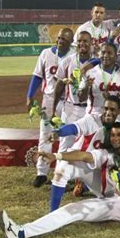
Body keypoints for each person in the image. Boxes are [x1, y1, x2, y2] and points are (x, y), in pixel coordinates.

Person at [48, 96, 120, 211]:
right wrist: (59, 132)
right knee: (61, 170)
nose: (108, 112)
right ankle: (52, 213)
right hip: (76, 161)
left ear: (119, 111)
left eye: (112, 110)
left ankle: (85, 186)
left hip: (94, 169)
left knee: (112, 198)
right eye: (106, 108)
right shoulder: (92, 120)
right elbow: (73, 128)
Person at [26, 28, 74, 187]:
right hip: (48, 100)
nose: (60, 41)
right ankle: (41, 172)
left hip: (67, 101)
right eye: (59, 38)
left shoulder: (74, 56)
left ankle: (63, 173)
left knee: (66, 138)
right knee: (45, 135)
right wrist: (29, 95)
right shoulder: (46, 53)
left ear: (70, 42)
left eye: (65, 40)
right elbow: (37, 76)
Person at [53, 31, 92, 153]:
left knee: (89, 145)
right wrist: (53, 108)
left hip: (90, 110)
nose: (82, 44)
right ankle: (60, 172)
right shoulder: (67, 61)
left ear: (91, 43)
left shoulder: (97, 62)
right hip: (71, 108)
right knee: (65, 145)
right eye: (79, 41)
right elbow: (59, 86)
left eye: (85, 41)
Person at [77, 41, 120, 121]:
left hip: (119, 118)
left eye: (109, 53)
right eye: (103, 52)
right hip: (95, 116)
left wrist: (119, 102)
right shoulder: (90, 73)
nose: (105, 55)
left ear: (116, 56)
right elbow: (81, 98)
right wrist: (86, 87)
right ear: (99, 54)